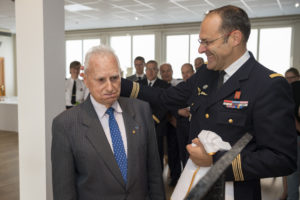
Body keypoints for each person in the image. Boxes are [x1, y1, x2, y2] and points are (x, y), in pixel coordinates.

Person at [120, 5, 297, 200]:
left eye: (207, 42)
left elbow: (282, 159)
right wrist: (119, 84)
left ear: (235, 38)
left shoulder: (267, 84)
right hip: (195, 186)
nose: (201, 48)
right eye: (200, 41)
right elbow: (165, 98)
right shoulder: (206, 73)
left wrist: (215, 161)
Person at [51, 45, 165, 200]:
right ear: (86, 80)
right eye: (101, 80)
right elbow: (64, 192)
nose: (110, 87)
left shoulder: (141, 110)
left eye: (114, 78)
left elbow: (154, 173)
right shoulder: (65, 125)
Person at [138, 60, 170, 169]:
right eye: (148, 69)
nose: (150, 72)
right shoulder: (138, 85)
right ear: (145, 70)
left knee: (157, 152)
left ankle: (158, 179)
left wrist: (154, 118)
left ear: (157, 71)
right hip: (140, 124)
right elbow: (135, 103)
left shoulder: (164, 85)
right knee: (142, 152)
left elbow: (165, 105)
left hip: (158, 124)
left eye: (153, 69)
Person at [159, 63, 182, 186]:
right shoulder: (159, 87)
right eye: (163, 71)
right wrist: (170, 118)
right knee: (172, 151)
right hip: (167, 123)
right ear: (160, 73)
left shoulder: (179, 84)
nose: (166, 73)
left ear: (172, 71)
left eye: (168, 70)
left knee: (182, 151)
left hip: (181, 122)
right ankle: (175, 176)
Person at [280, 68, 300, 200]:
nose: (289, 81)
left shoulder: (295, 89)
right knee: (290, 171)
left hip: (295, 136)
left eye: (291, 78)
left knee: (292, 172)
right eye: (286, 78)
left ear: (298, 77)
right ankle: (287, 193)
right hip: (291, 136)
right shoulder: (289, 91)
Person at [176, 63, 195, 167]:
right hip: (182, 128)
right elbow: (170, 104)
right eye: (183, 73)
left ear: (193, 73)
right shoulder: (179, 87)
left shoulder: (201, 87)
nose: (185, 75)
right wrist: (178, 111)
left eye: (188, 72)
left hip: (197, 128)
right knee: (183, 156)